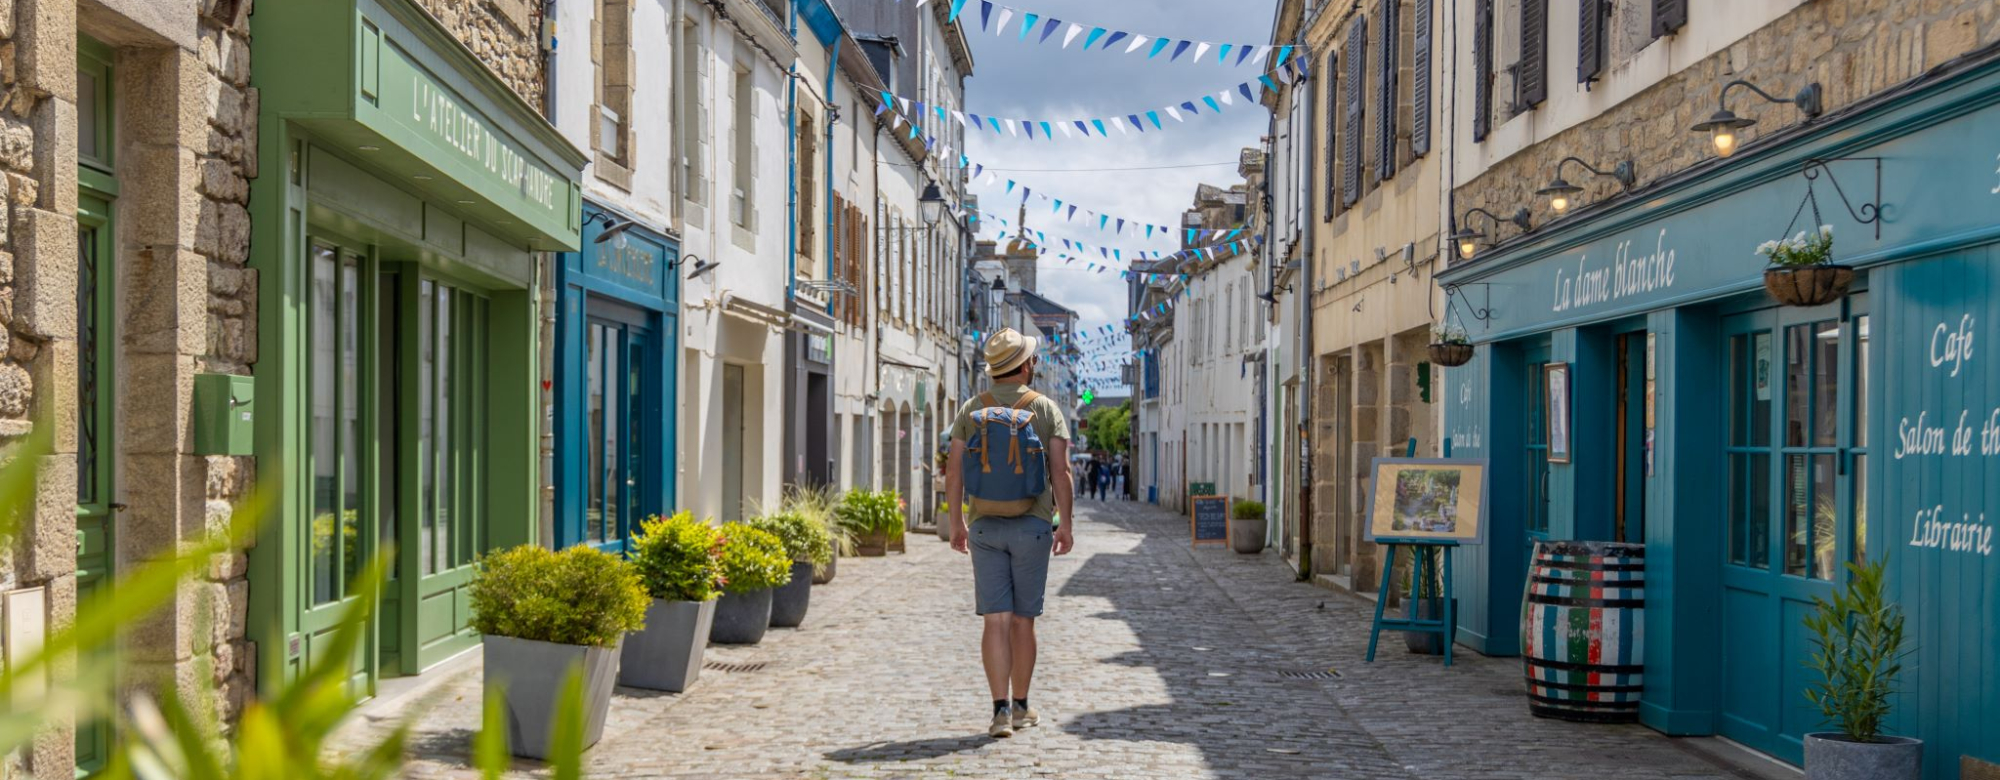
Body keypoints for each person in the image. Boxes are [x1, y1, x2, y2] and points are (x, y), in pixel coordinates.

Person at [947, 329, 1075, 739]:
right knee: (1024, 622)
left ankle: (999, 711)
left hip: (984, 526)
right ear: (1024, 365)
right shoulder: (1045, 408)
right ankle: (1021, 706)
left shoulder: (971, 408)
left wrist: (956, 522)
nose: (1034, 363)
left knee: (995, 621)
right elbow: (1061, 471)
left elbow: (953, 470)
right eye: (1032, 359)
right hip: (1033, 525)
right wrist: (1066, 524)